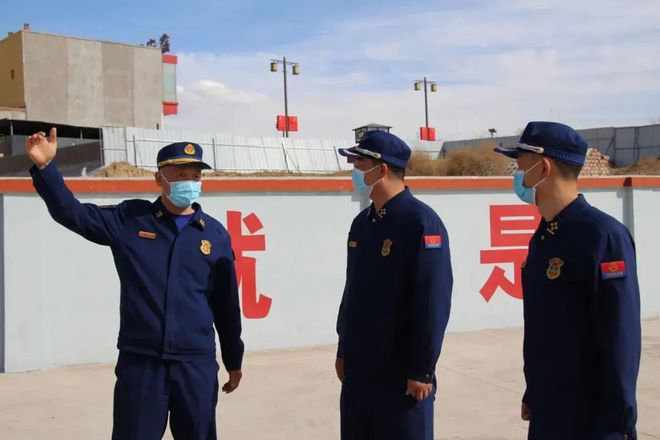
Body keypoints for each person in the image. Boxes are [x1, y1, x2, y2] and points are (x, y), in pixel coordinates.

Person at [26, 128, 244, 440]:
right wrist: (46, 167)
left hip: (195, 362)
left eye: (195, 176)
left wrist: (233, 359)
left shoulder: (215, 235)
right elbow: (72, 213)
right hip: (142, 362)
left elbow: (226, 306)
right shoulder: (130, 220)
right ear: (159, 179)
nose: (190, 182)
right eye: (180, 175)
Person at [494, 121, 641, 439]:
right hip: (550, 410)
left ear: (543, 168)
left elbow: (620, 340)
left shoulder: (602, 236)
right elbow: (546, 328)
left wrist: (617, 427)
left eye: (520, 167)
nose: (517, 177)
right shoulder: (545, 236)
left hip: (589, 418)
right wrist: (534, 391)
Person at [335, 130, 453, 440]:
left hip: (400, 376)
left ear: (382, 169)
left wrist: (422, 369)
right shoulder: (363, 223)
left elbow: (433, 301)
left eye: (359, 165)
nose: (354, 173)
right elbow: (353, 292)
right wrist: (343, 347)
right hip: (359, 372)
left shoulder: (420, 222)